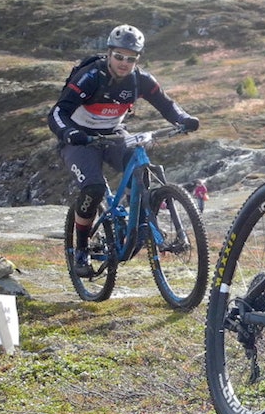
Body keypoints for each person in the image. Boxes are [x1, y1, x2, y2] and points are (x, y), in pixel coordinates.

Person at [48, 24, 200, 275]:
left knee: (144, 171)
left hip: (114, 134)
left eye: (130, 59)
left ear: (137, 59)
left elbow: (167, 104)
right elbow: (57, 112)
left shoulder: (141, 80)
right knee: (94, 188)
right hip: (81, 138)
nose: (123, 63)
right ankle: (81, 251)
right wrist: (69, 133)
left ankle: (137, 222)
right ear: (109, 53)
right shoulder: (90, 76)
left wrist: (183, 119)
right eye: (118, 56)